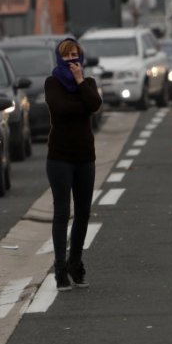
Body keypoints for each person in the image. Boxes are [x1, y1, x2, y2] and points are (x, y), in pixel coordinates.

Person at [44, 37, 103, 291]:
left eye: (74, 55)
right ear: (59, 58)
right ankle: (59, 269)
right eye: (67, 56)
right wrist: (81, 104)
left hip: (85, 157)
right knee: (61, 212)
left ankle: (75, 264)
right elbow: (60, 108)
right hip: (59, 157)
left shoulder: (88, 83)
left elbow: (95, 105)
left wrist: (80, 82)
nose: (71, 60)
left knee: (83, 213)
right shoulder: (52, 83)